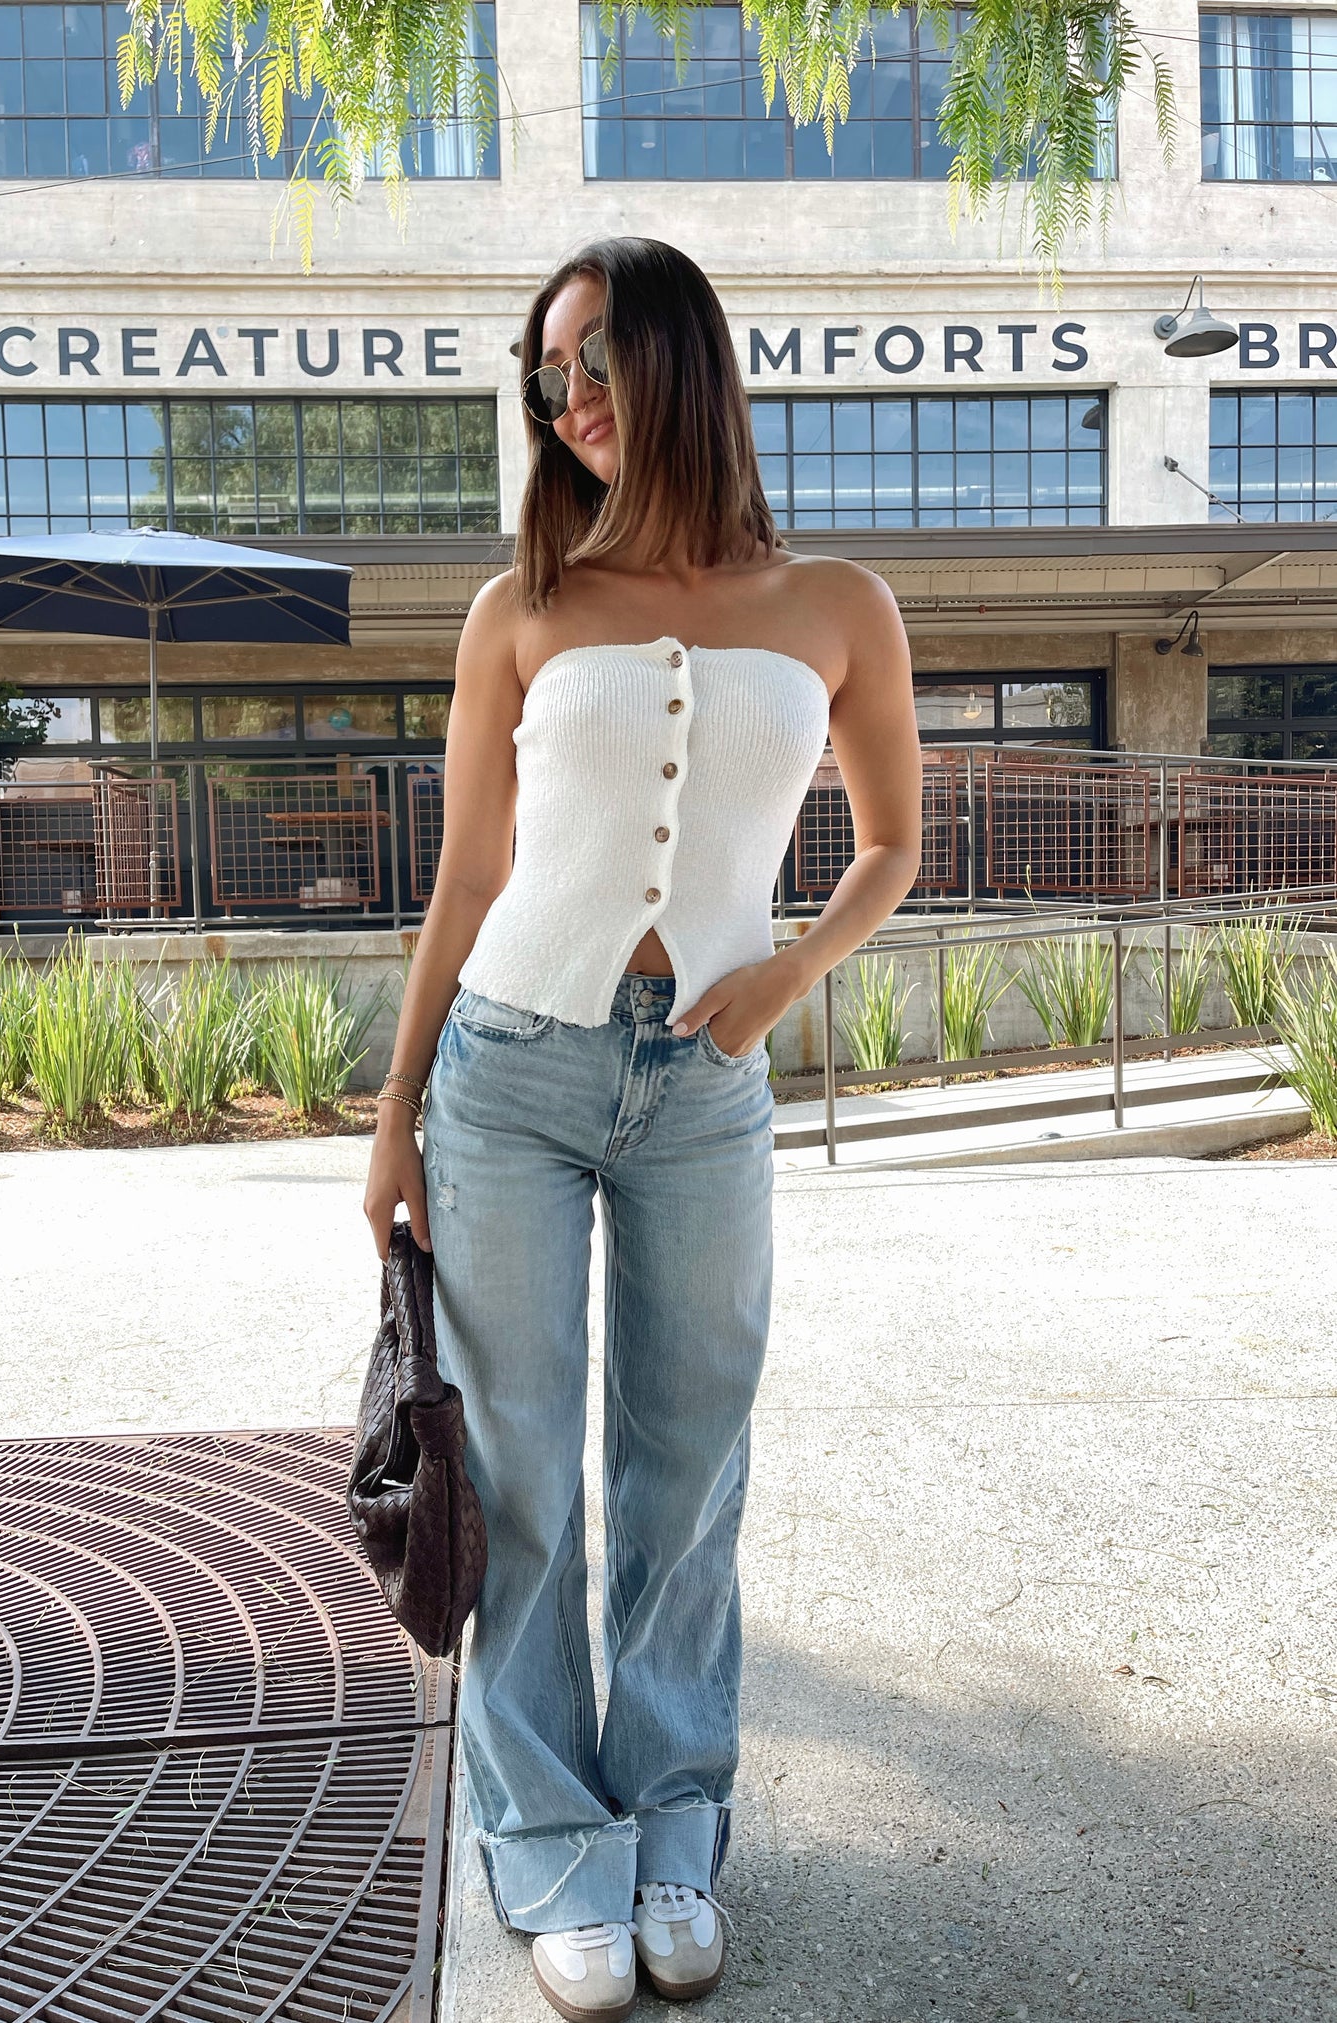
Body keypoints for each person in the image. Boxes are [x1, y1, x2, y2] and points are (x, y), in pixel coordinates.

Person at [363, 235, 922, 2020]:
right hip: (509, 1074)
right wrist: (395, 1119)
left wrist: (787, 975)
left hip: (705, 1089)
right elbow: (464, 876)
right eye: (546, 374)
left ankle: (676, 1820)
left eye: (593, 358)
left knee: (685, 1474)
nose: (568, 398)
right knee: (520, 1483)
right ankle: (550, 1848)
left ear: (682, 360)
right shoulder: (515, 605)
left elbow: (897, 843)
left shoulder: (835, 600)